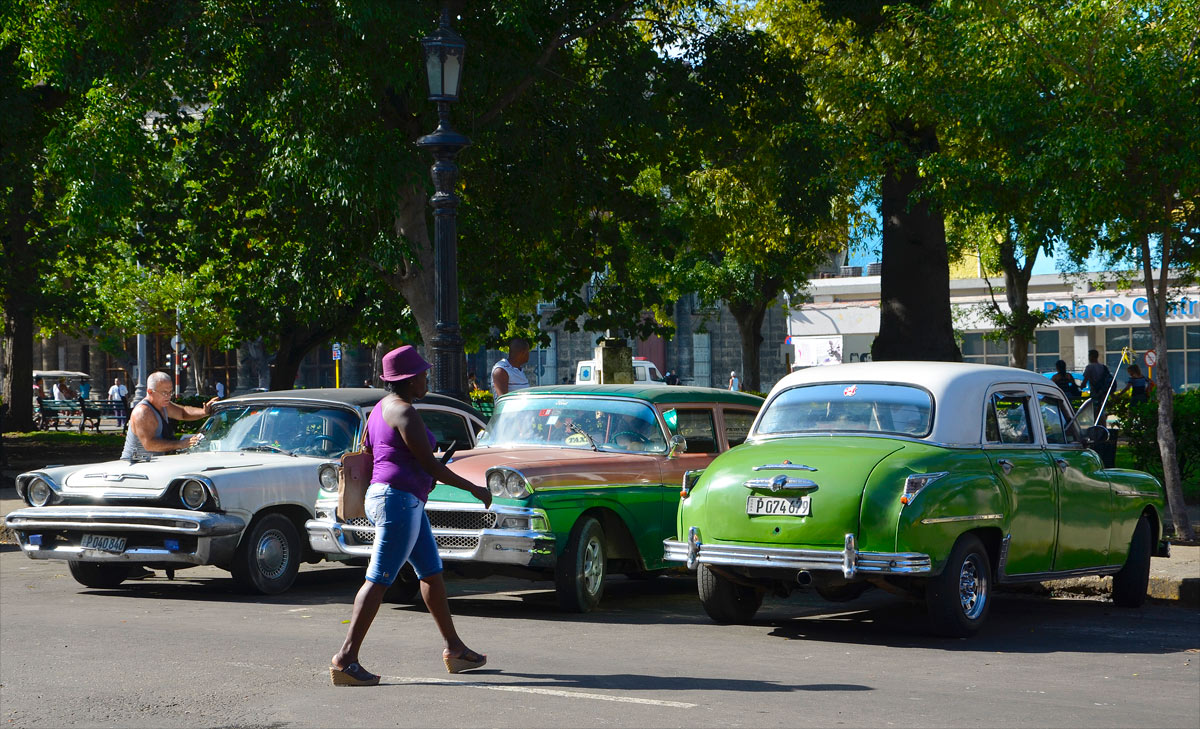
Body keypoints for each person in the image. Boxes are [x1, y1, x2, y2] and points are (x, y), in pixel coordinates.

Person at [330, 345, 492, 686]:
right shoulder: (404, 412)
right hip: (398, 502)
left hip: (395, 498)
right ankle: (345, 659)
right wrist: (475, 488)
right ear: (408, 380)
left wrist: (421, 477)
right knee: (378, 579)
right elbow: (429, 464)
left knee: (431, 573)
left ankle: (454, 648)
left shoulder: (379, 410)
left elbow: (381, 456)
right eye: (422, 374)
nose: (426, 379)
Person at [121, 371, 216, 461]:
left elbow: (183, 413)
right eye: (164, 393)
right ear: (150, 392)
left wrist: (204, 412)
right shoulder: (143, 412)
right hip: (135, 465)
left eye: (170, 392)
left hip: (153, 463)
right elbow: (149, 444)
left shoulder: (163, 405)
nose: (168, 396)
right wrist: (181, 444)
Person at [1081, 349, 1113, 426]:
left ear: (1091, 356)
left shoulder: (1089, 367)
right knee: (1102, 411)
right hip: (1103, 393)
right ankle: (1104, 428)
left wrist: (1081, 386)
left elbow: (1085, 381)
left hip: (1095, 393)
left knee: (1096, 412)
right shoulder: (1103, 367)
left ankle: (1097, 429)